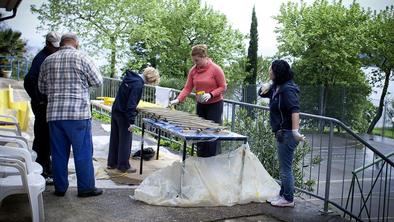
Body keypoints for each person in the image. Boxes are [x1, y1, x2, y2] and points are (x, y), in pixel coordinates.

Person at [38, 33, 103, 197]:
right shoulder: (83, 58)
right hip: (78, 114)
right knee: (83, 152)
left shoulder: (48, 60)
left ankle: (60, 188)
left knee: (58, 153)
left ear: (61, 43)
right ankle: (86, 188)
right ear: (76, 43)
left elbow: (41, 88)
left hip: (54, 115)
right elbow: (98, 82)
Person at [258, 59, 305, 207]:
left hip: (288, 133)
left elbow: (295, 110)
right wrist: (265, 87)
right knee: (284, 166)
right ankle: (283, 195)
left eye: (270, 69)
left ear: (277, 72)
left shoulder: (287, 89)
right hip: (281, 132)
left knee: (285, 168)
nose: (269, 71)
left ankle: (288, 199)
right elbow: (262, 93)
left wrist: (295, 131)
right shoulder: (276, 88)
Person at [169, 44, 227, 157]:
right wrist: (178, 99)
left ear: (204, 56)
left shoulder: (215, 69)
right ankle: (200, 157)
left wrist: (211, 94)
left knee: (211, 132)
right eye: (194, 60)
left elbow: (223, 86)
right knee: (199, 131)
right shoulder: (193, 71)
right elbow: (187, 88)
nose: (195, 63)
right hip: (201, 105)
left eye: (197, 60)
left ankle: (210, 160)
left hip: (215, 105)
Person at [24, 31, 61, 183]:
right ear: (47, 45)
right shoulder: (41, 59)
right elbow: (29, 80)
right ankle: (41, 168)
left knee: (45, 136)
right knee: (42, 136)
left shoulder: (48, 55)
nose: (57, 49)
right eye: (55, 47)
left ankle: (45, 166)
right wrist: (39, 100)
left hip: (43, 103)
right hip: (41, 104)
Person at [107, 67, 160, 173]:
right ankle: (123, 166)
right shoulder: (138, 84)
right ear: (151, 79)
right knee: (125, 141)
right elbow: (131, 104)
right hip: (124, 115)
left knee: (115, 138)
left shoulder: (130, 78)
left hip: (116, 110)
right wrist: (131, 122)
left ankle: (112, 163)